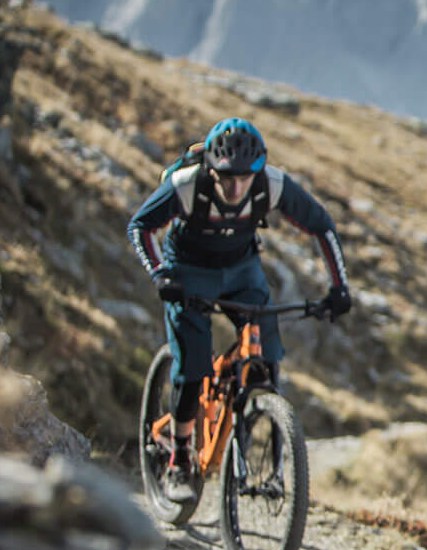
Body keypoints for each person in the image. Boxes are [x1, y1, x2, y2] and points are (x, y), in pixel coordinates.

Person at [127, 118, 352, 500]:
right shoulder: (186, 186)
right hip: (188, 270)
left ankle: (272, 465)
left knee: (265, 356)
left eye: (245, 178)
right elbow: (140, 226)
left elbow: (322, 227)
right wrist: (161, 274)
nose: (235, 187)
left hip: (241, 271)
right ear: (212, 169)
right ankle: (179, 461)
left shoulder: (272, 184)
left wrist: (339, 287)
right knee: (193, 366)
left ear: (258, 170)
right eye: (226, 177)